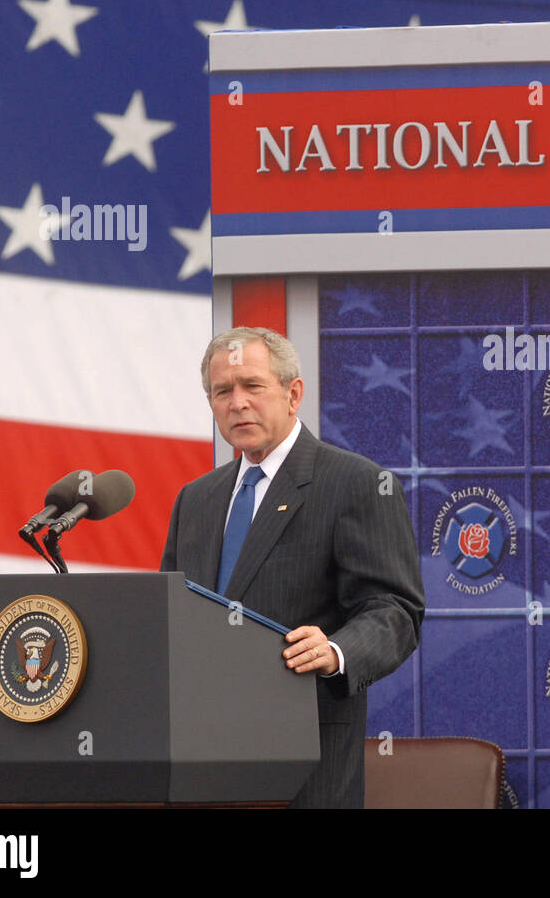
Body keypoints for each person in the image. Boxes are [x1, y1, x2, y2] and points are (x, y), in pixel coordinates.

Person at [160, 326, 424, 808]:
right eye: (223, 391)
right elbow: (172, 619)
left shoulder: (356, 483)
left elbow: (395, 612)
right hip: (201, 766)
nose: (237, 402)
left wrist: (337, 650)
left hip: (306, 766)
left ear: (292, 392)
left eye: (253, 386)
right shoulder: (195, 500)